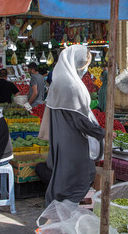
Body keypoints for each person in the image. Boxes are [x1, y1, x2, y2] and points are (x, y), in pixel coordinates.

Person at [41, 45, 105, 205]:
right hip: (73, 140)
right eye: (84, 64)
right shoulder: (71, 86)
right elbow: (79, 119)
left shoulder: (58, 81)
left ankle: (57, 214)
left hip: (60, 139)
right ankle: (60, 215)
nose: (85, 68)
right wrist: (100, 132)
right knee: (80, 175)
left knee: (62, 177)